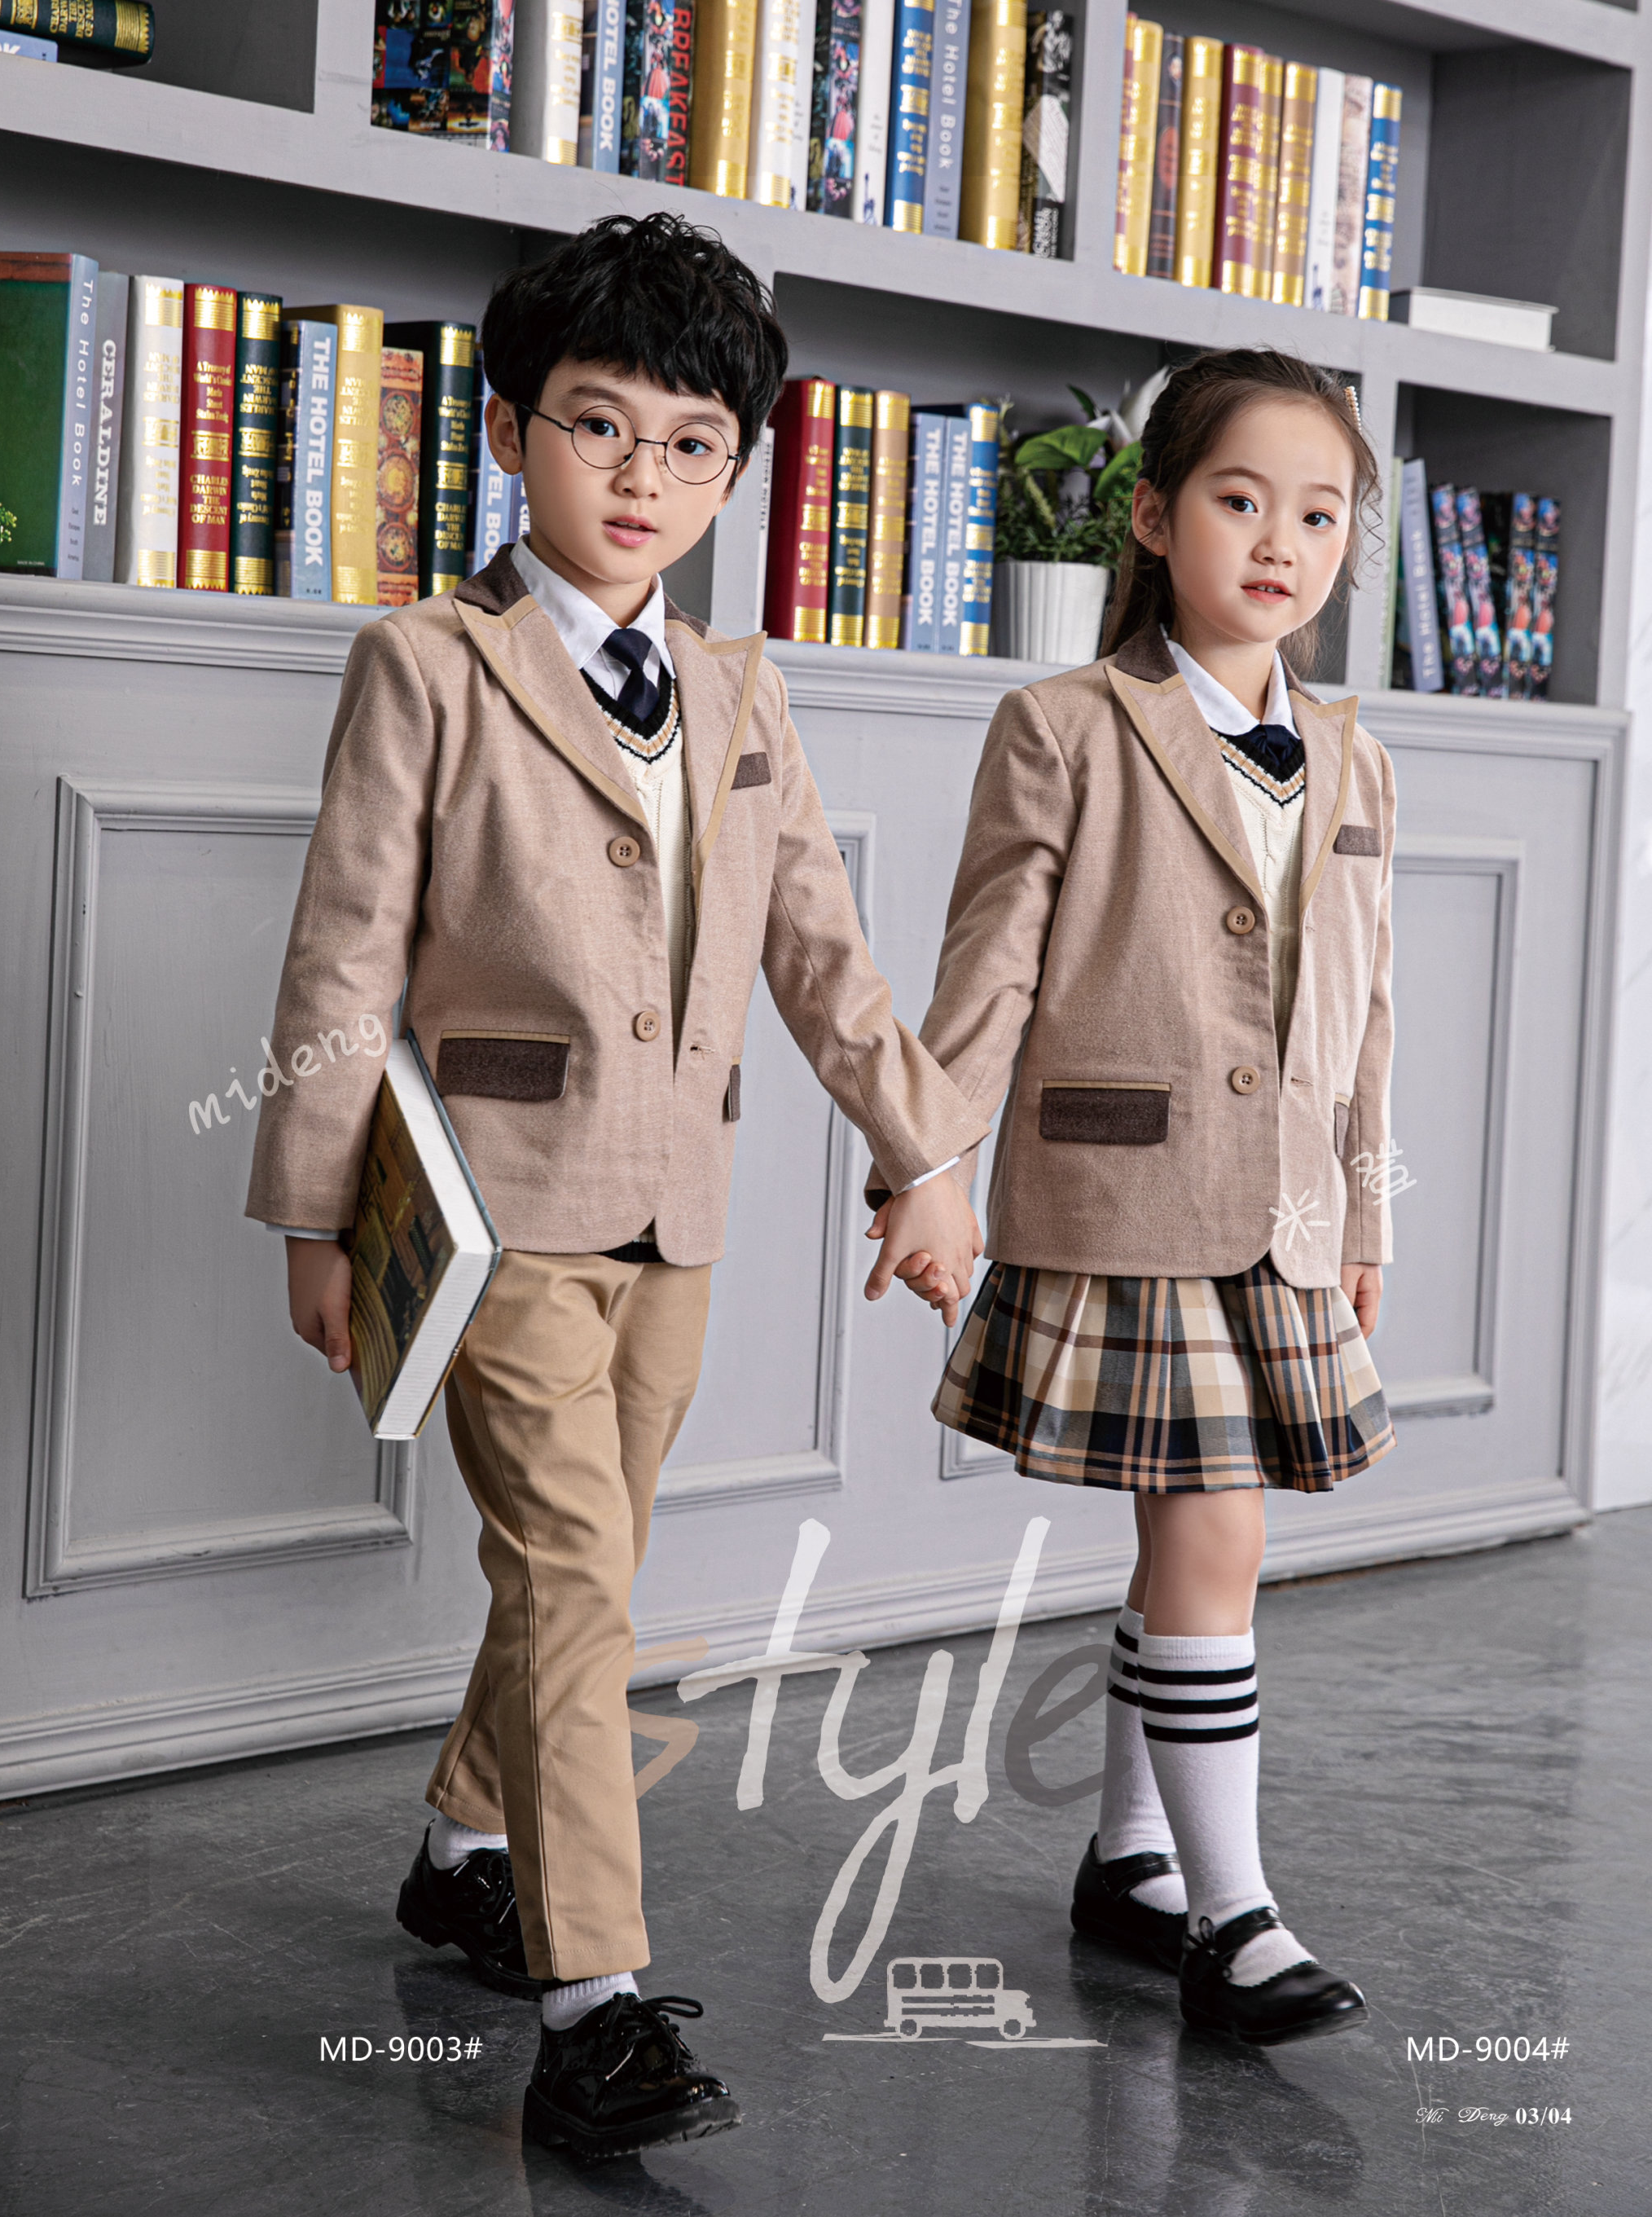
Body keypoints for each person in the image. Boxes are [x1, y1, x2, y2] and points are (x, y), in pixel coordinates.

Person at [244, 211, 988, 2157]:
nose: (642, 476)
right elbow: (342, 956)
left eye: (691, 444)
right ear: (510, 431)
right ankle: (596, 2008)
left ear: (736, 468)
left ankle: (460, 1848)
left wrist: (922, 1152)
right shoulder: (429, 661)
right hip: (491, 1213)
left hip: (677, 1214)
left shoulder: (743, 690)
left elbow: (822, 955)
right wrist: (315, 1211)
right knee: (578, 1575)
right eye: (597, 426)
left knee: (579, 1569)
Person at [885, 347, 1397, 2045]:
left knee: (1186, 1534)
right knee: (1215, 1530)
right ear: (1157, 517)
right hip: (1124, 1205)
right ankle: (1234, 1918)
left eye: (1318, 514)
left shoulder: (1355, 754)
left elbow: (1366, 1018)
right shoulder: (1066, 727)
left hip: (1284, 1226)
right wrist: (926, 1165)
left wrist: (1365, 1217)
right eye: (1242, 501)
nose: (1281, 541)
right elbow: (987, 977)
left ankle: (1129, 1856)